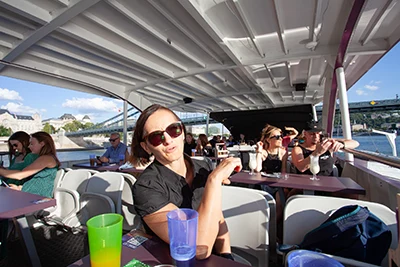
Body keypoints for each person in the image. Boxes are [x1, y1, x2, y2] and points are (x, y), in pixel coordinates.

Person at [132, 104, 241, 260]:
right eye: (156, 137)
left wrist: (226, 254)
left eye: (173, 129)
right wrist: (214, 181)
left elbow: (217, 215)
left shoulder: (202, 167)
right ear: (146, 147)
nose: (168, 140)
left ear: (182, 132)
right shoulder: (146, 186)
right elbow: (198, 249)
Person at [0, 131, 60, 198]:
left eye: (31, 144)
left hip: (37, 197)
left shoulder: (46, 159)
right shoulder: (43, 158)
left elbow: (21, 175)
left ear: (42, 144)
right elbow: (35, 180)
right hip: (29, 193)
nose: (29, 146)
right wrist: (19, 188)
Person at [292, 121, 359, 176]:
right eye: (312, 134)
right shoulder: (298, 149)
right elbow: (301, 168)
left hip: (329, 180)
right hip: (308, 182)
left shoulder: (326, 144)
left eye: (318, 133)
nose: (315, 136)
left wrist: (342, 144)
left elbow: (355, 143)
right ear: (305, 134)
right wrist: (317, 153)